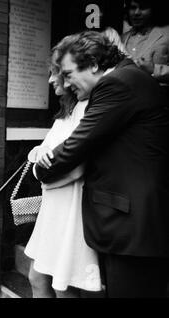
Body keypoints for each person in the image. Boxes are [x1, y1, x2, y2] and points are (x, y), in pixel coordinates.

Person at [35, 31, 169, 298]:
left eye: (68, 73)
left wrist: (41, 168)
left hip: (133, 230)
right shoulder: (129, 78)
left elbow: (77, 147)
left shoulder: (117, 84)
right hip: (133, 228)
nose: (66, 82)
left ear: (94, 64)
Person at [24, 49, 101, 298]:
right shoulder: (66, 114)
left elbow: (76, 167)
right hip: (53, 210)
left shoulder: (90, 109)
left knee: (62, 287)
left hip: (71, 210)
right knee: (36, 277)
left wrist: (43, 172)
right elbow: (39, 154)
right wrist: (41, 155)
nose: (50, 79)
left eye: (56, 73)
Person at [122, 0, 169, 86]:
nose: (136, 13)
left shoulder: (167, 34)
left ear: (154, 9)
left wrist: (154, 69)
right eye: (133, 8)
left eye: (143, 8)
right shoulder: (122, 38)